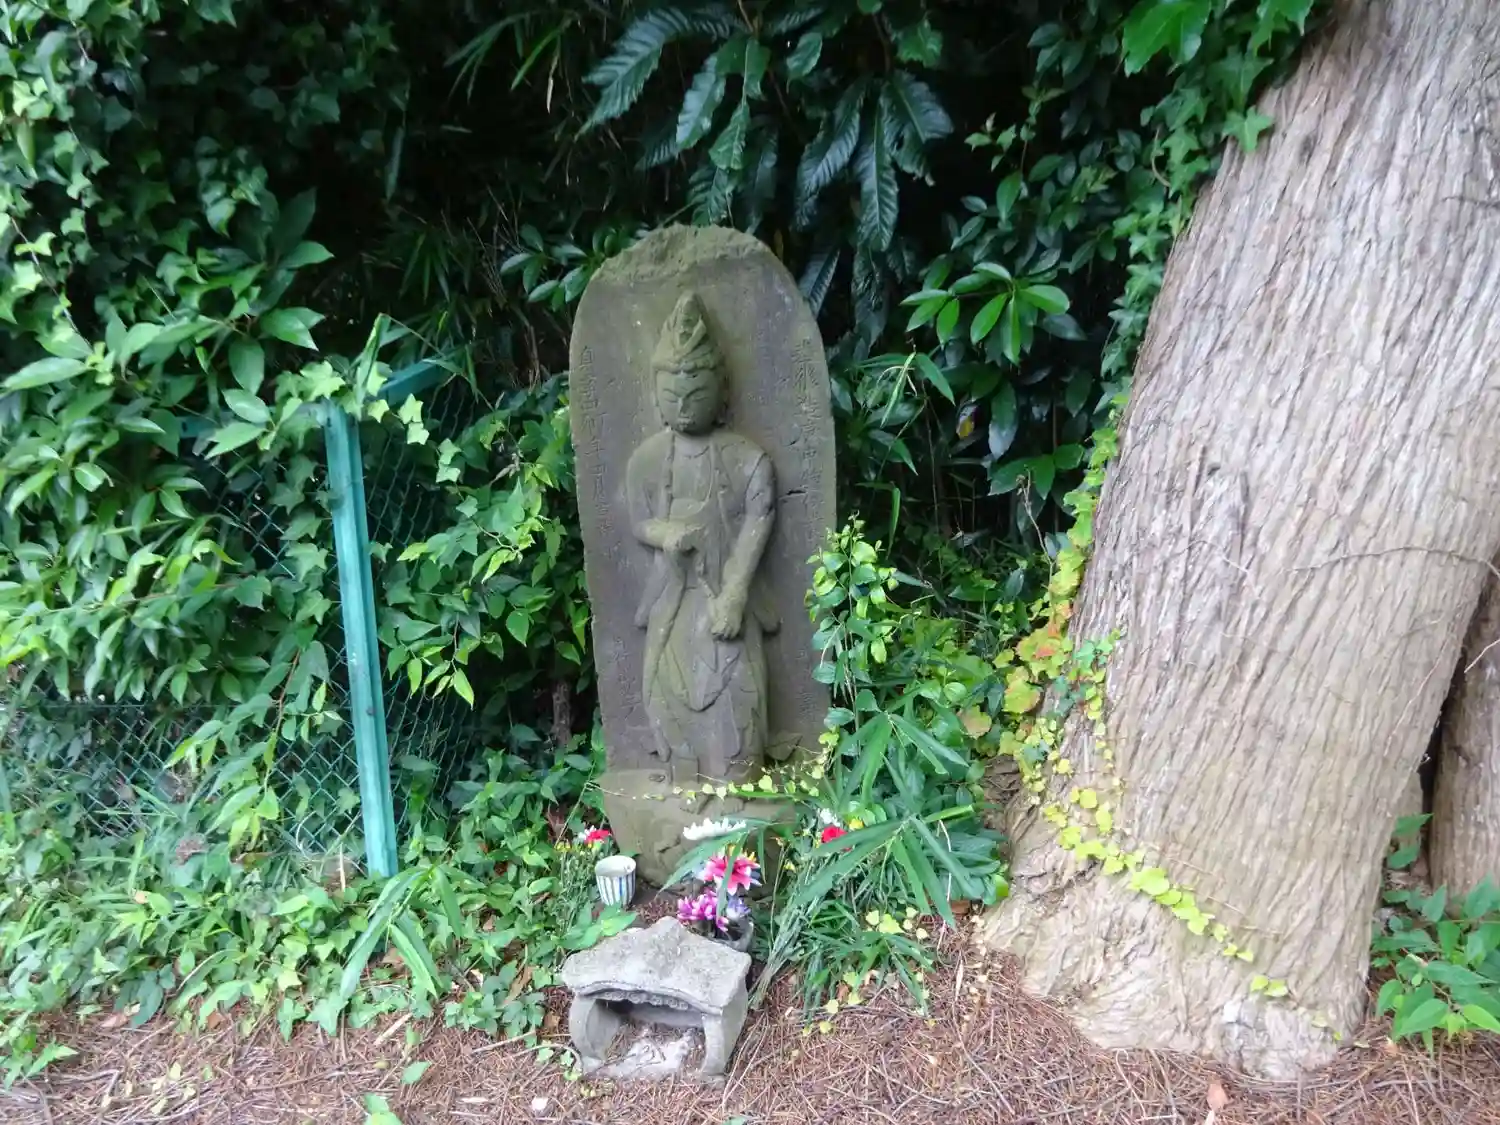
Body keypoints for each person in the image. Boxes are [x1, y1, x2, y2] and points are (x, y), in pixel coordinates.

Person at [626, 290, 778, 785]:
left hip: (724, 596)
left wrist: (735, 594)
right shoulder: (648, 460)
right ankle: (684, 782)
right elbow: (639, 522)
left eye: (696, 395)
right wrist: (665, 533)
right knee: (665, 689)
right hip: (673, 595)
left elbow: (760, 513)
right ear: (656, 397)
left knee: (738, 689)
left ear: (722, 392)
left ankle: (738, 778)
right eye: (672, 397)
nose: (684, 406)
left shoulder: (745, 457)